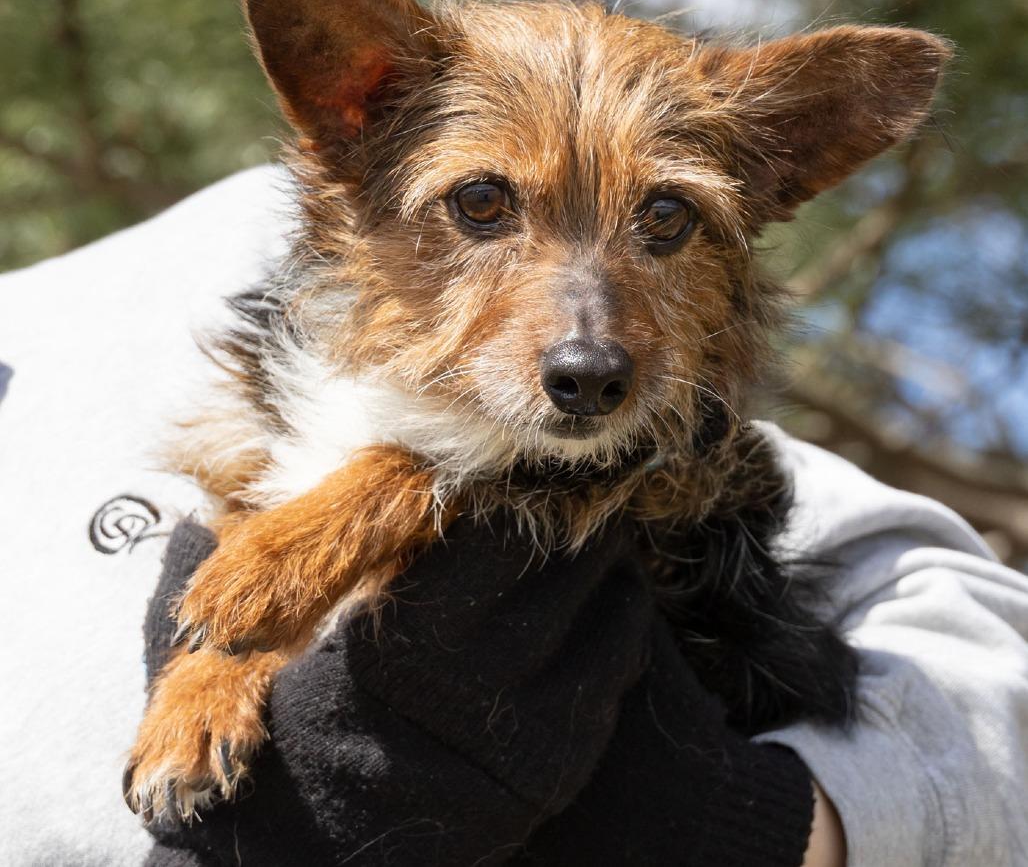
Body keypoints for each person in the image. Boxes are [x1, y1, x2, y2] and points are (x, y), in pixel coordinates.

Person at [1, 165, 1025, 866]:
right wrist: (223, 661)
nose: (584, 335)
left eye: (664, 219)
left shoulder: (248, 243)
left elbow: (975, 643)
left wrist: (737, 827)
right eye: (485, 206)